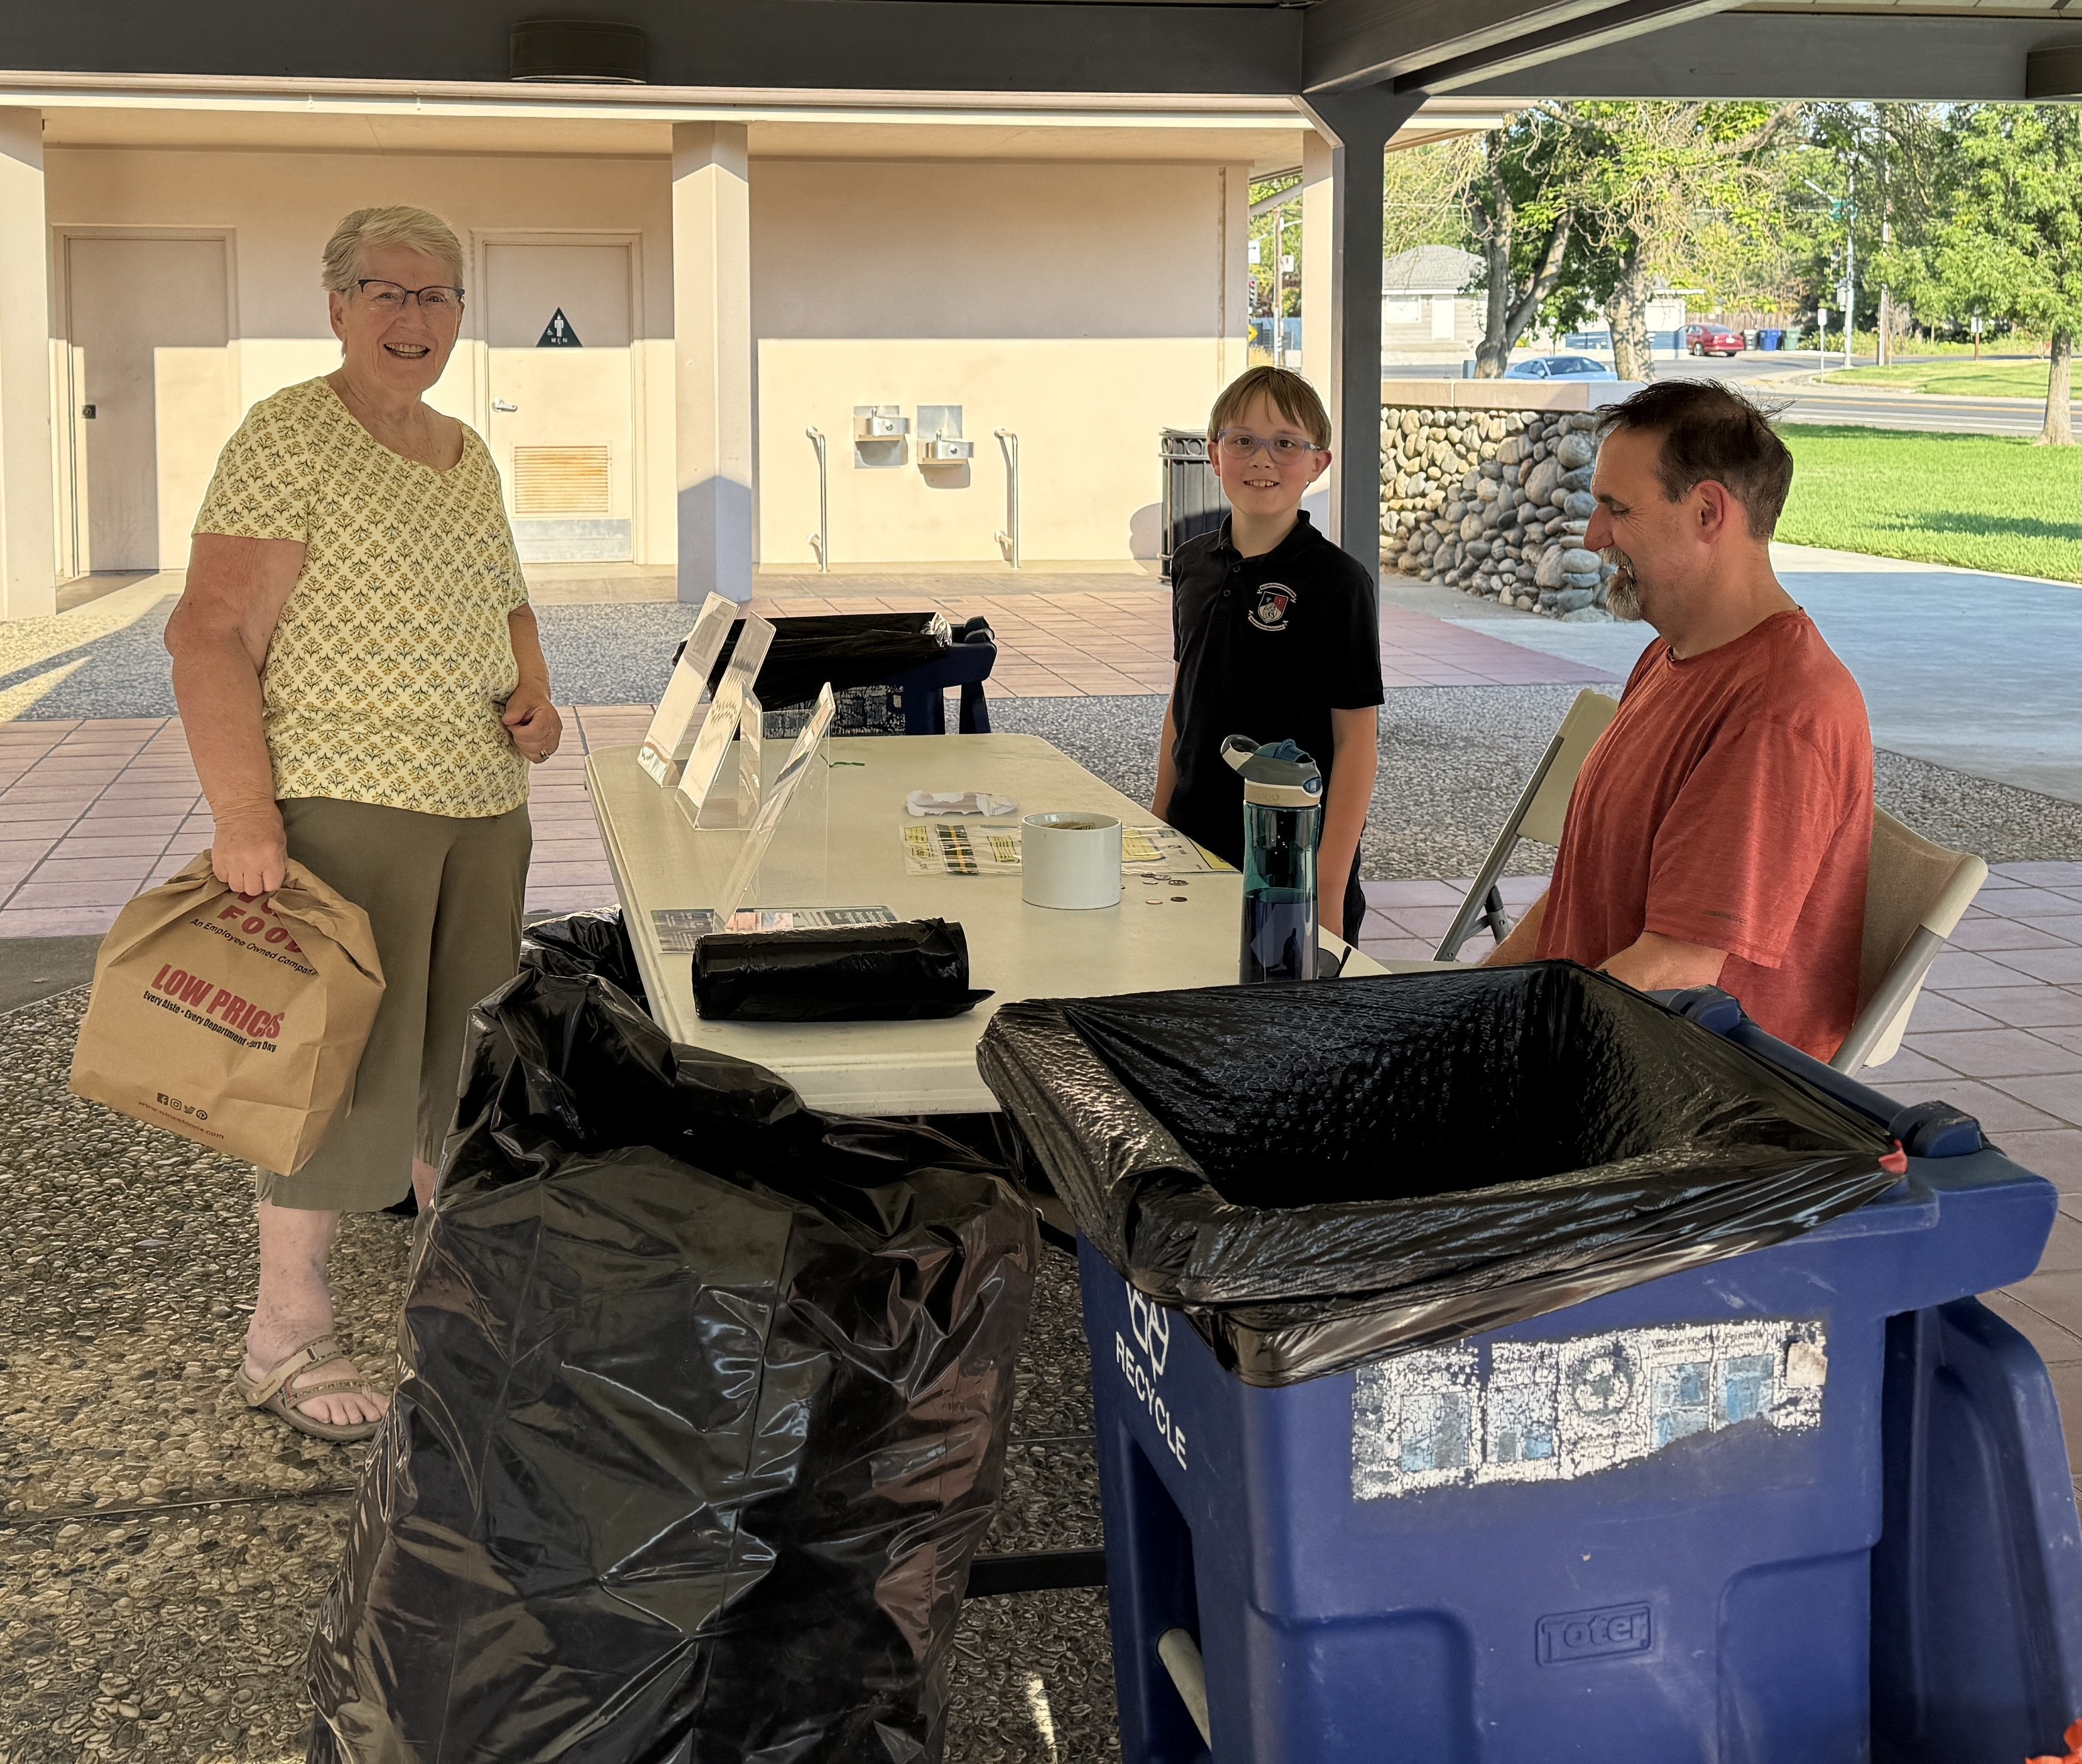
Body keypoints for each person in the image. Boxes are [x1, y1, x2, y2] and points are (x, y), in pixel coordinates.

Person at [164, 206, 560, 1442]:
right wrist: (243, 811)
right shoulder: (289, 433)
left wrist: (532, 685)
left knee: (458, 1069)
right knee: (340, 1074)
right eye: (385, 292)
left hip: (480, 803)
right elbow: (211, 630)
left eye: (437, 295)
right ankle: (286, 1326)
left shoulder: (465, 449)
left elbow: (506, 597)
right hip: (345, 797)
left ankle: (448, 1313)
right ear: (336, 305)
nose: (413, 318)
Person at [1484, 380, 1872, 1060]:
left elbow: (1674, 969)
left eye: (1616, 508)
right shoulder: (1670, 655)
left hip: (1692, 1100)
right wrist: (1465, 1009)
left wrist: (1505, 1053)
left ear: (1705, 513)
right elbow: (1577, 899)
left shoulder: (1779, 709)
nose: (1592, 534)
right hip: (1605, 1047)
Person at [1153, 367, 1382, 941]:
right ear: (1214, 454)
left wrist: (1327, 885)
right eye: (1243, 440)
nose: (1262, 459)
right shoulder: (1191, 562)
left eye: (1286, 444)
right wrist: (1156, 821)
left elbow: (1357, 742)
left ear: (1317, 464)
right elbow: (1184, 699)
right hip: (1194, 842)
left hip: (1292, 866)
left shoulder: (1340, 582)